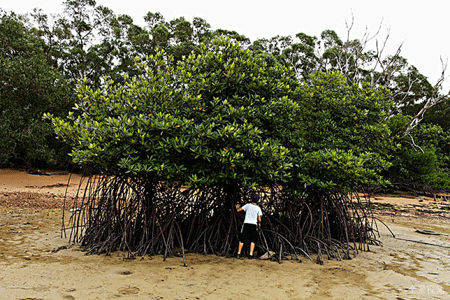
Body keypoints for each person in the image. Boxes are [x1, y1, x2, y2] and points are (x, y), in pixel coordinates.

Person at [235, 194, 262, 259]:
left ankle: (238, 253)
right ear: (258, 201)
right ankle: (250, 254)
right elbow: (259, 219)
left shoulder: (247, 205)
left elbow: (238, 210)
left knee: (242, 239)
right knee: (253, 240)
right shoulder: (258, 208)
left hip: (246, 224)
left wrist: (237, 207)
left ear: (251, 200)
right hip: (253, 225)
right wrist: (259, 223)